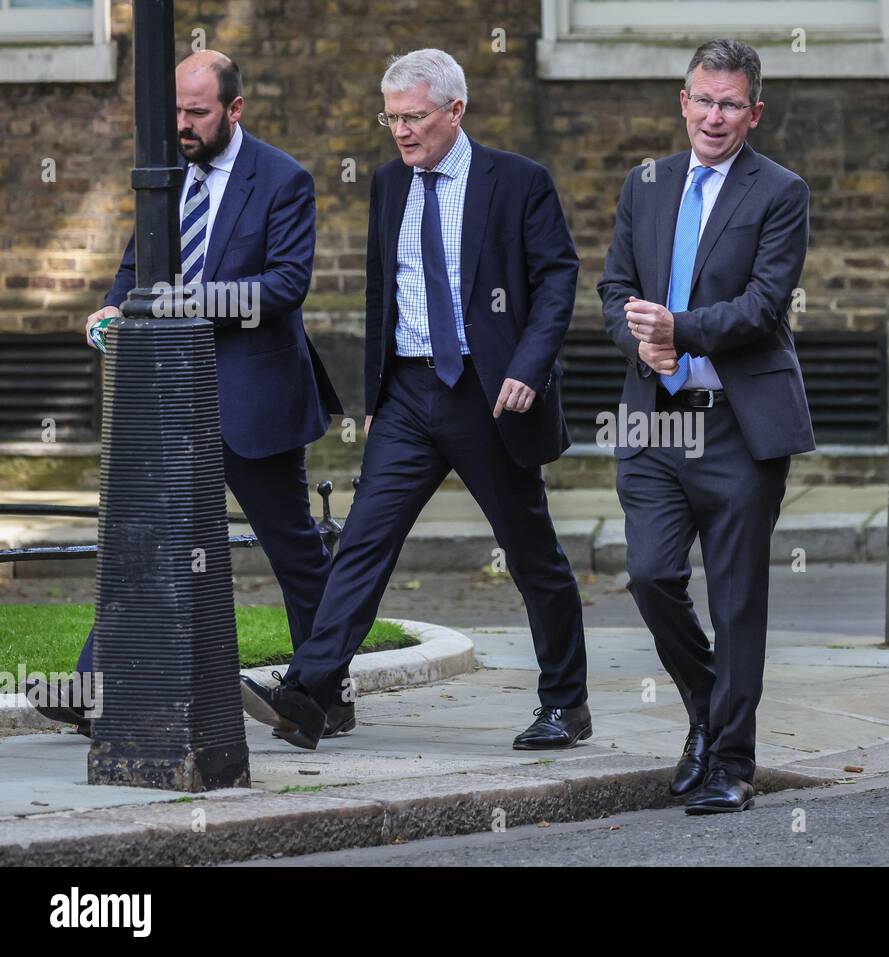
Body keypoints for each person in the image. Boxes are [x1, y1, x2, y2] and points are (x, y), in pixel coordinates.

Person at [239, 48, 590, 751]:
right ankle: (310, 694)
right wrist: (377, 391)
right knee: (363, 541)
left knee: (530, 552)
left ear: (455, 111)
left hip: (491, 396)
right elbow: (383, 289)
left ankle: (566, 705)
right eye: (391, 117)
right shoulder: (388, 183)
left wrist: (528, 366)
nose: (401, 131)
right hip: (407, 393)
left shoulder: (518, 181)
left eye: (414, 117)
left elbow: (558, 279)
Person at [25, 50, 345, 737]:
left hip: (257, 398)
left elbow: (286, 286)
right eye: (174, 110)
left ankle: (325, 690)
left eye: (196, 112)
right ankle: (94, 687)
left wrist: (179, 303)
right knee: (147, 541)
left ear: (234, 110)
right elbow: (136, 264)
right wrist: (112, 307)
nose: (182, 124)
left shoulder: (284, 179)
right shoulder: (161, 176)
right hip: (171, 396)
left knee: (293, 551)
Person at [598, 38, 815, 814]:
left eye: (730, 103)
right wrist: (644, 342)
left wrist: (677, 330)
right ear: (682, 101)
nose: (714, 116)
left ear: (753, 113)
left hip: (736, 425)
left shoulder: (780, 191)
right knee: (652, 574)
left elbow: (763, 306)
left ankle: (731, 760)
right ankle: (706, 702)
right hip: (656, 420)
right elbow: (612, 288)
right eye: (702, 98)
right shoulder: (645, 183)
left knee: (736, 599)